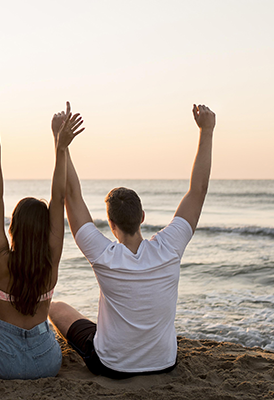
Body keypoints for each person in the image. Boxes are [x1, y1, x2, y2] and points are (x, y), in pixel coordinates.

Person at [48, 104, 216, 379]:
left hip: (111, 366)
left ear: (110, 225)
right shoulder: (170, 247)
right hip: (164, 362)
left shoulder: (103, 254)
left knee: (57, 309)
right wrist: (206, 131)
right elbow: (198, 190)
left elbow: (72, 195)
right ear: (142, 217)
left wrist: (60, 143)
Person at [0, 107, 83, 379]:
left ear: (14, 227)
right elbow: (58, 199)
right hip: (46, 360)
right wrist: (60, 148)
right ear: (45, 229)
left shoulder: (0, 258)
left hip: (1, 361)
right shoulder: (51, 257)